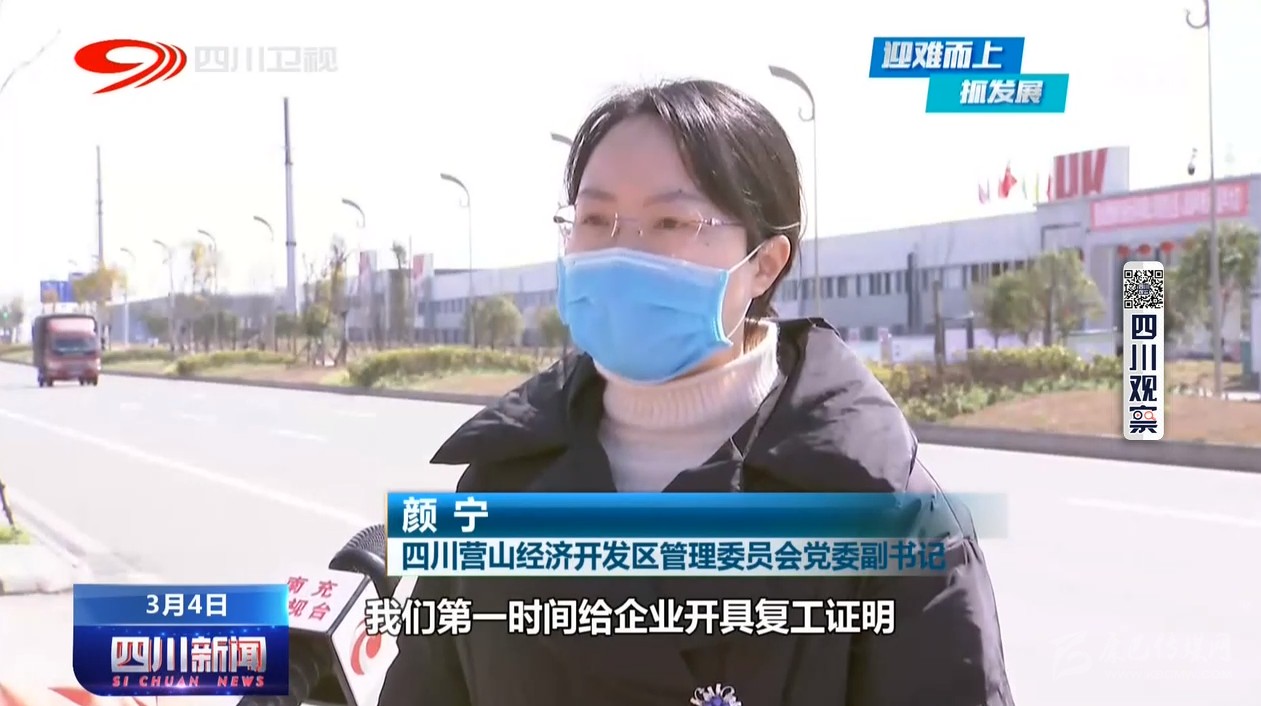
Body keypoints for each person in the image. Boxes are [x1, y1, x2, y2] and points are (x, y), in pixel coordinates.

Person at [379, 78, 1014, 706]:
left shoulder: (887, 512)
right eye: (595, 218)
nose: (621, 252)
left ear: (764, 262)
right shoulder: (500, 483)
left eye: (670, 221)